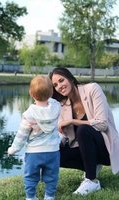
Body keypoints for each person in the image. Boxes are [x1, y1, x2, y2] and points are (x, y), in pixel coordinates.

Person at [49, 67, 119, 196]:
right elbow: (65, 138)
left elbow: (102, 124)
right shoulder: (63, 106)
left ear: (70, 78)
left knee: (83, 130)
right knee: (54, 155)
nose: (59, 86)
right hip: (85, 149)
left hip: (106, 148)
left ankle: (91, 180)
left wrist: (73, 121)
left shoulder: (92, 89)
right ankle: (92, 166)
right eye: (55, 85)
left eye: (61, 80)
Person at [7, 75, 61, 200]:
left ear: (31, 94)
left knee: (30, 176)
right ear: (52, 92)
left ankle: (31, 197)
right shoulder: (56, 108)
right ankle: (49, 196)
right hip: (53, 151)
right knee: (52, 176)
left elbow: (21, 136)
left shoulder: (29, 114)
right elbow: (53, 101)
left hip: (34, 152)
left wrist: (12, 149)